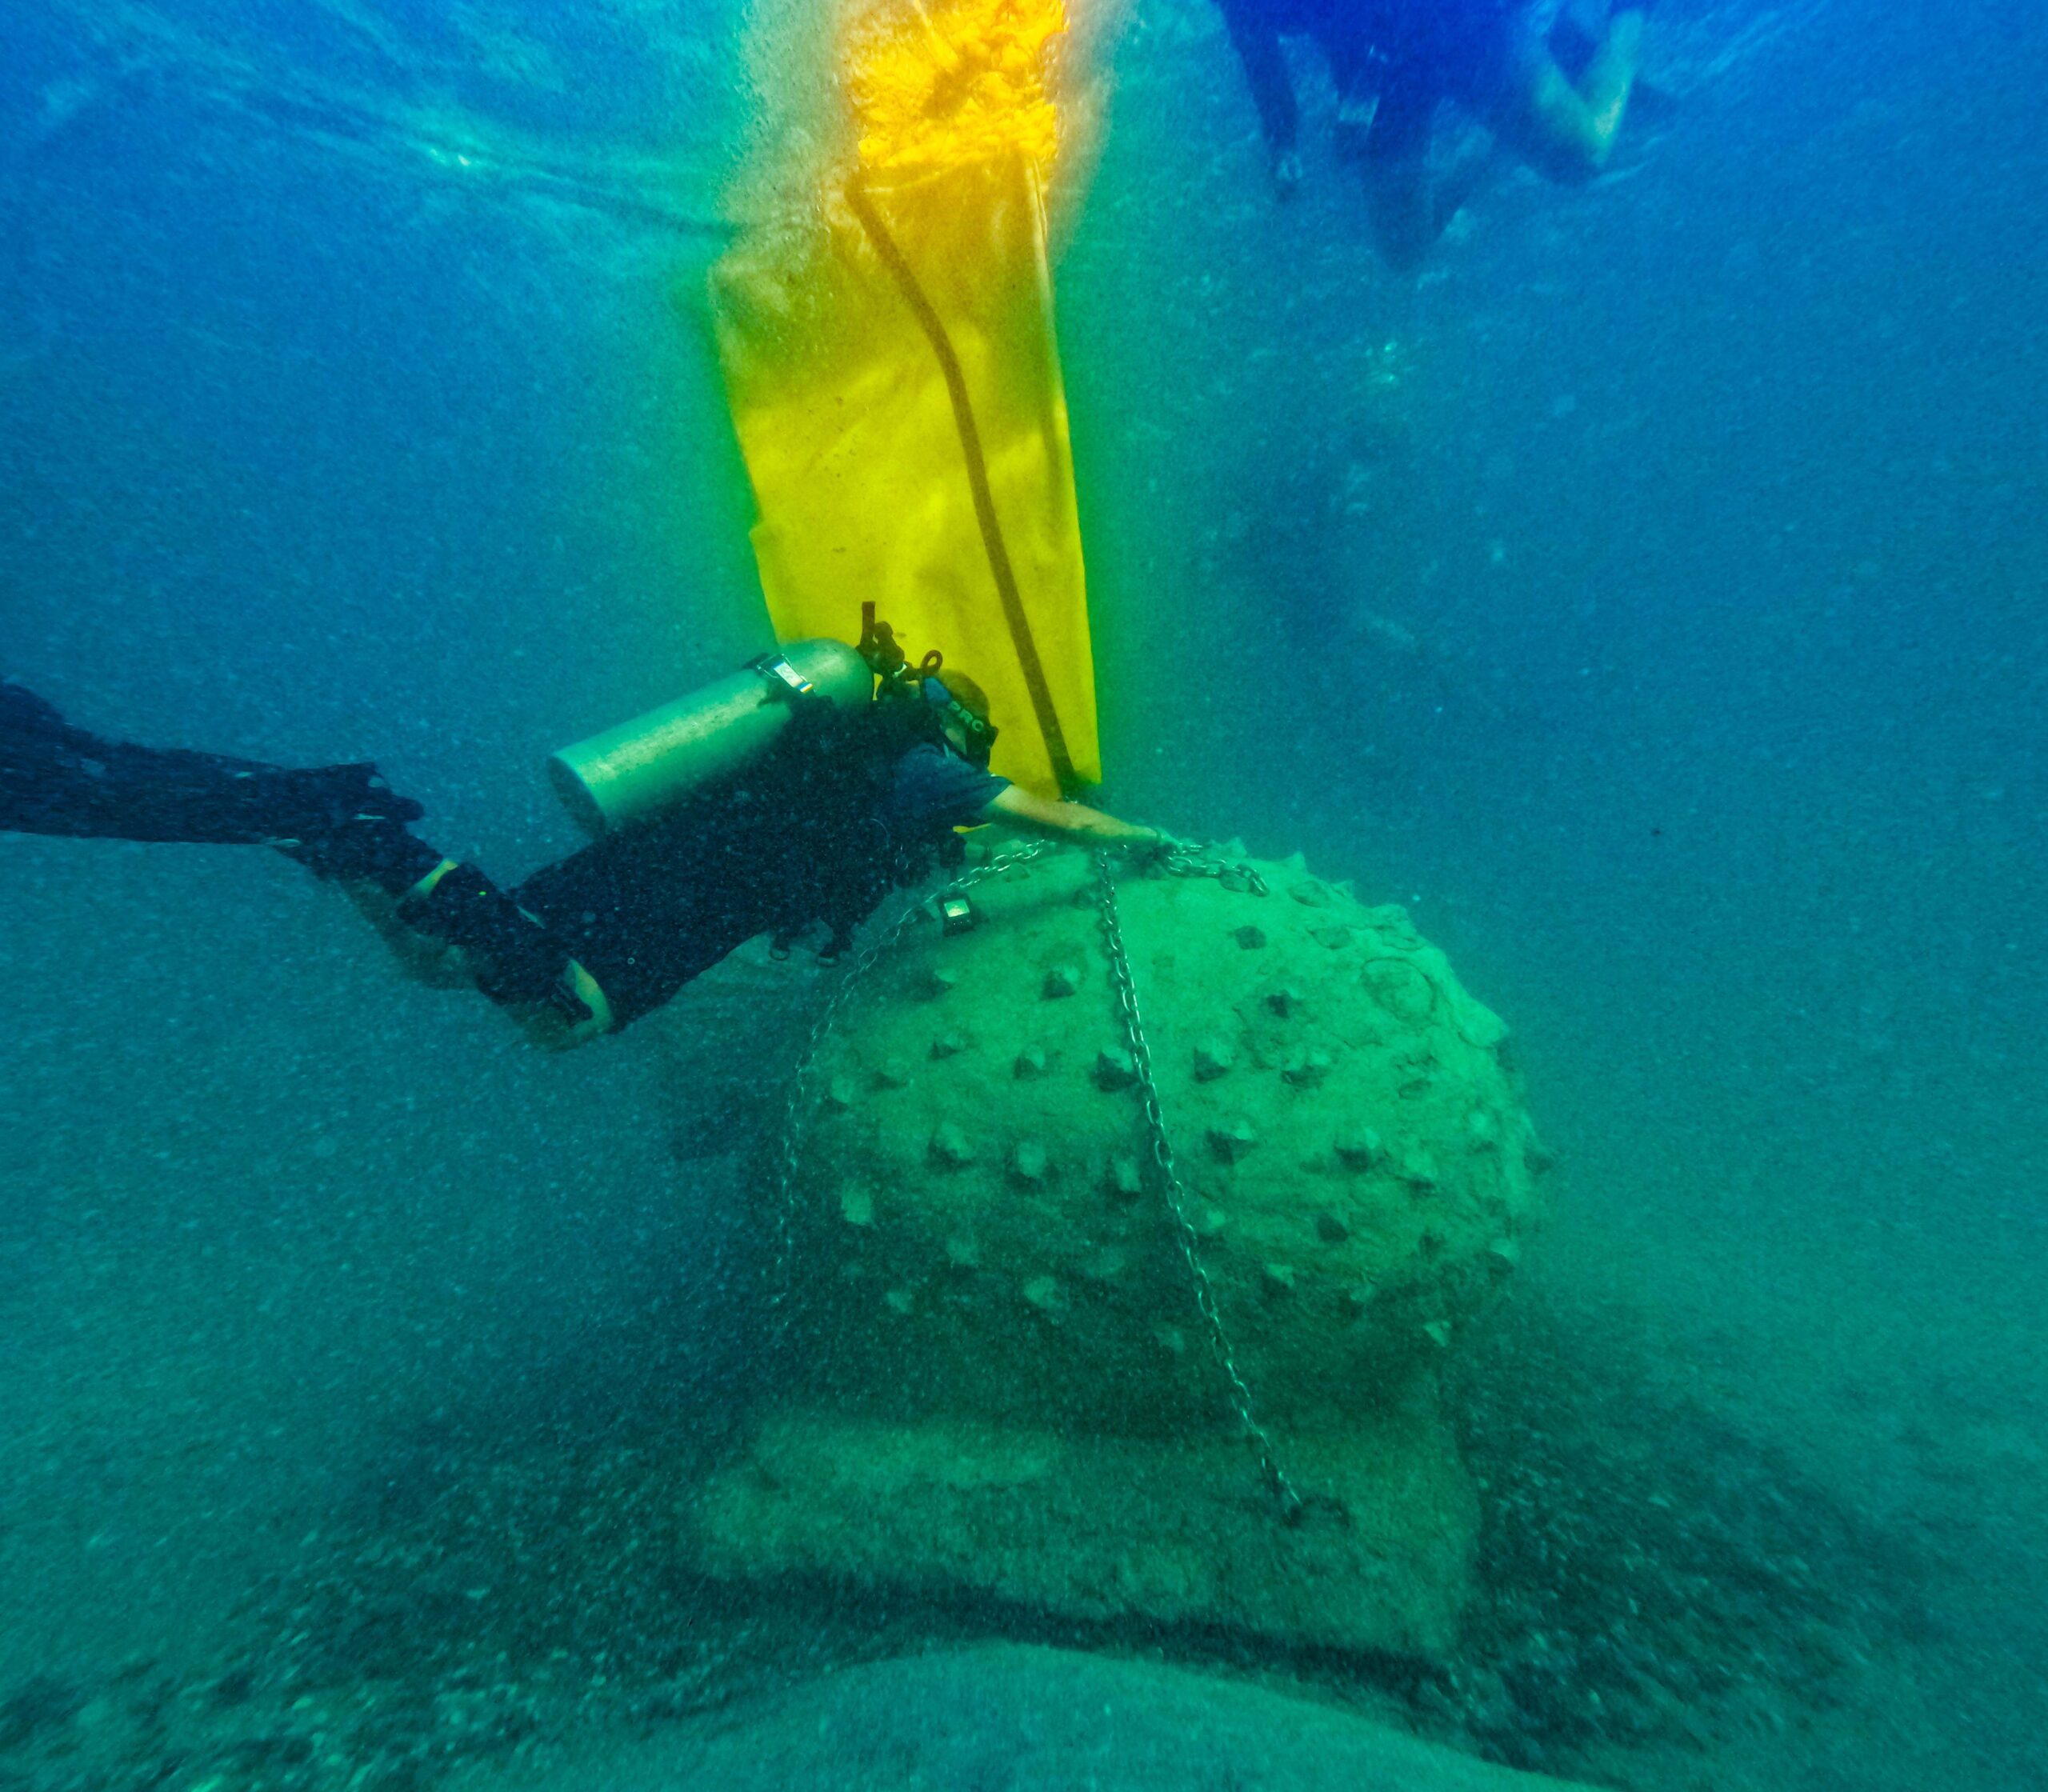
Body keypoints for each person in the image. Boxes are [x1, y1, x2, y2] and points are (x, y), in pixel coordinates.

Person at [1, 657, 1162, 1048]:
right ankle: (361, 835)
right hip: (688, 899)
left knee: (442, 965)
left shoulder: (826, 754)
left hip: (656, 860)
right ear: (948, 726)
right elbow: (1049, 817)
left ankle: (319, 833)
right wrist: (1160, 847)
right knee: (562, 1016)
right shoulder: (914, 767)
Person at [1218, 0, 1650, 266]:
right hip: (1376, 70)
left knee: (1582, 156)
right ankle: (1498, 144)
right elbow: (1254, 42)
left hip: (1460, 23)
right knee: (1403, 247)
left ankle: (1629, 11)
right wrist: (1282, 141)